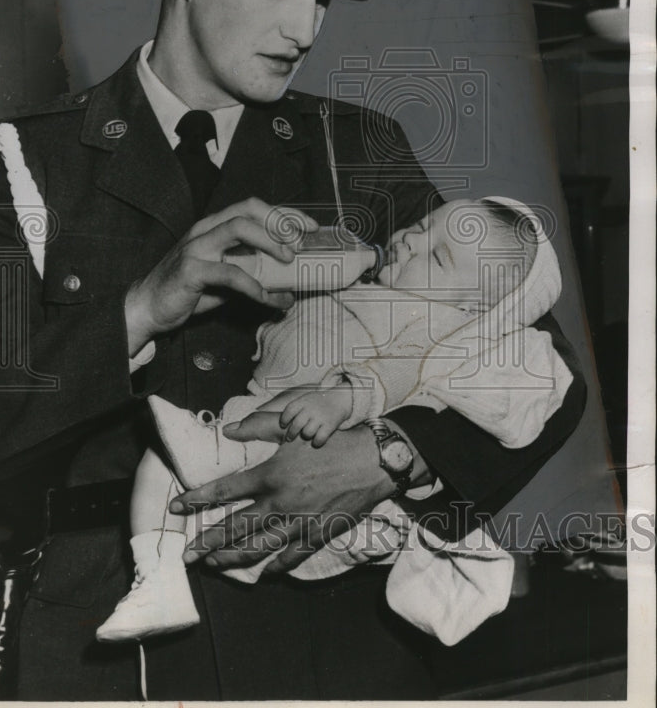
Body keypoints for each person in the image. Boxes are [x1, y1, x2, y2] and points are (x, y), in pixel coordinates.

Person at [0, 0, 586, 701]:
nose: (303, 29)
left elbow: (541, 366)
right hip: (108, 646)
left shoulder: (355, 147)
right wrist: (142, 307)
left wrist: (389, 454)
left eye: (320, 0)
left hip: (334, 635)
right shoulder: (32, 162)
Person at [97, 196, 573, 647]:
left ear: (473, 310)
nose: (411, 240)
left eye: (439, 258)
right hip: (260, 419)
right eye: (424, 227)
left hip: (311, 438)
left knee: (171, 467)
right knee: (159, 466)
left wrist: (345, 400)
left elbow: (398, 371)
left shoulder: (437, 326)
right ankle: (159, 581)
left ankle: (166, 566)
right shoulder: (367, 286)